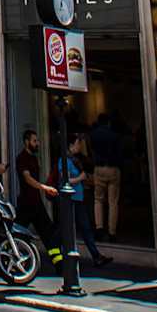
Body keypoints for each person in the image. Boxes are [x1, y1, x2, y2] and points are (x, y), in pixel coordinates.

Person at [58, 132, 112, 266]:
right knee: (72, 228)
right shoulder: (64, 161)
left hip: (78, 198)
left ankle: (95, 256)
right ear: (71, 145)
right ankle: (61, 256)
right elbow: (65, 180)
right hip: (71, 200)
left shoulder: (76, 159)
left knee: (83, 228)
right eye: (77, 144)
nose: (79, 146)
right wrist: (80, 178)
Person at [15, 127, 61, 267]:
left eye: (38, 141)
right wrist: (45, 188)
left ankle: (59, 264)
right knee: (16, 234)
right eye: (35, 141)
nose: (38, 144)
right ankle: (2, 258)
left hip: (36, 203)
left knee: (48, 233)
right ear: (26, 142)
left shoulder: (34, 159)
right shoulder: (22, 158)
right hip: (26, 204)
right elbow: (28, 179)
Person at [90, 112, 122, 240]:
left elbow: (92, 150)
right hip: (113, 168)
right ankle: (112, 232)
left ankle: (99, 228)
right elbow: (120, 153)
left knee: (98, 199)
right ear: (108, 122)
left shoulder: (94, 135)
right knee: (113, 202)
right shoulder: (115, 135)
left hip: (98, 168)